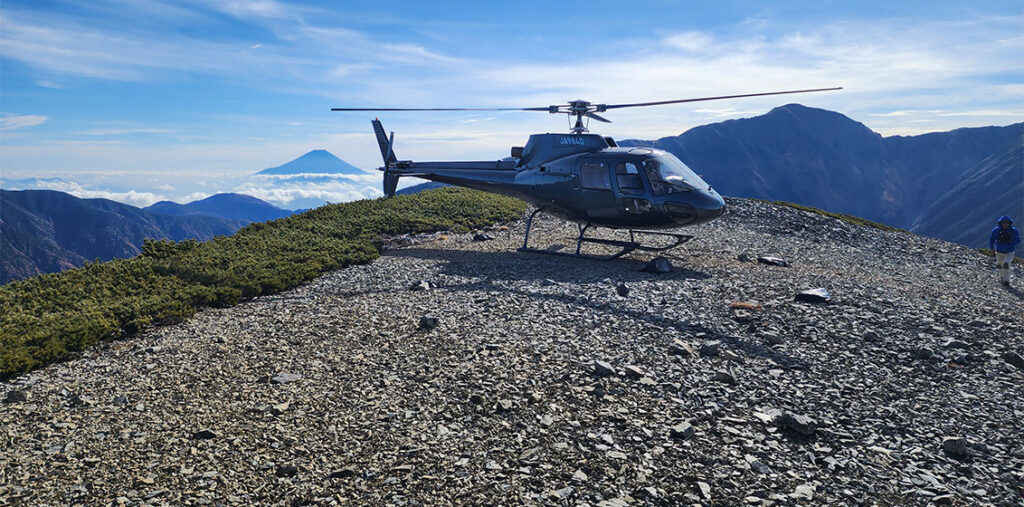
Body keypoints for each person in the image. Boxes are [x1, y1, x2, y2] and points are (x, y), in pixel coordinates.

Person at [989, 216, 1021, 286]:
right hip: (999, 251)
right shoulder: (996, 231)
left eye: (1007, 223)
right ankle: (1001, 277)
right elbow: (992, 239)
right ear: (1000, 223)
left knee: (1006, 264)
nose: (1005, 224)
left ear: (1009, 223)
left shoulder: (1014, 231)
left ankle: (1006, 281)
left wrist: (1012, 245)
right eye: (1003, 223)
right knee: (999, 265)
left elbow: (1018, 240)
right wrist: (992, 248)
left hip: (1010, 252)